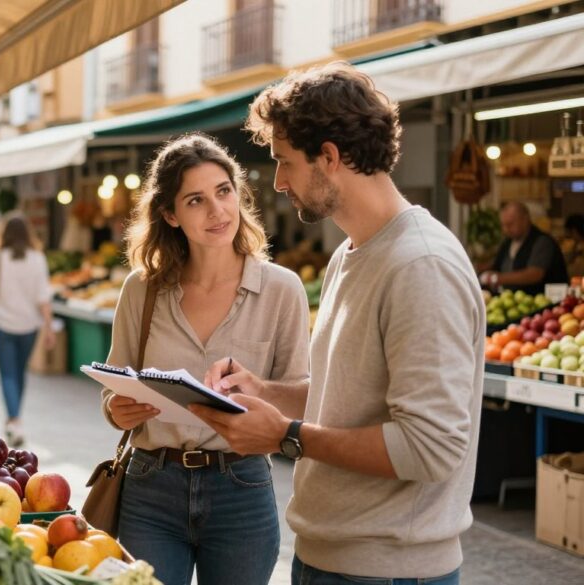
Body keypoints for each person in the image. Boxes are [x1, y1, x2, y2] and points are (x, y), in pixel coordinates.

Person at [192, 63, 483, 585]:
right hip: (330, 556)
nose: (277, 182)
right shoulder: (350, 255)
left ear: (329, 157)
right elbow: (349, 400)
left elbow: (431, 446)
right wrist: (267, 392)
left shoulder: (421, 265)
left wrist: (286, 437)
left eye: (284, 162)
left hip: (390, 571)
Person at [102, 133, 310, 585]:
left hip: (241, 488)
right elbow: (114, 386)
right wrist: (116, 410)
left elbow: (303, 402)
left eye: (224, 191)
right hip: (151, 486)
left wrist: (259, 390)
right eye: (196, 200)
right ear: (170, 214)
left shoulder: (282, 289)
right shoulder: (142, 289)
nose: (218, 211)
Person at [0, 212, 56, 446]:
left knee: (8, 374)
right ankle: (15, 418)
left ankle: (14, 419)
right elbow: (44, 297)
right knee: (20, 372)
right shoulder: (37, 258)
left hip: (2, 323)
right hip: (29, 326)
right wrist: (49, 328)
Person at [478, 201, 567, 295]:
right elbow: (497, 265)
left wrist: (498, 278)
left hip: (541, 300)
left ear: (525, 219)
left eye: (510, 224)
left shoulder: (542, 242)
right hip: (511, 299)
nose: (506, 229)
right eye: (503, 225)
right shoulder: (508, 242)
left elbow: (535, 274)